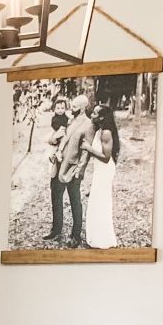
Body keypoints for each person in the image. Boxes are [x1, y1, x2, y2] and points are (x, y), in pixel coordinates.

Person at [50, 95, 94, 247]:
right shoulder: (70, 120)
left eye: (74, 107)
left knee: (75, 202)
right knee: (56, 198)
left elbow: (86, 152)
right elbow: (62, 138)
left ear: (82, 108)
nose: (70, 109)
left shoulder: (88, 125)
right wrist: (57, 149)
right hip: (60, 164)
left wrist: (80, 171)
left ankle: (76, 235)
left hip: (73, 169)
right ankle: (56, 230)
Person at [83, 96, 121, 249]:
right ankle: (95, 236)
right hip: (100, 170)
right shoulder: (99, 130)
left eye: (95, 113)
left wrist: (88, 148)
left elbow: (106, 157)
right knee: (96, 202)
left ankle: (103, 238)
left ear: (102, 117)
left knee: (101, 202)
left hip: (105, 170)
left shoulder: (106, 133)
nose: (92, 115)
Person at [44, 96, 73, 244]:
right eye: (58, 108)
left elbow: (62, 138)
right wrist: (54, 138)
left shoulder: (70, 122)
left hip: (66, 163)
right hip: (58, 156)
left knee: (59, 196)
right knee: (55, 196)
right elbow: (52, 139)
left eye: (63, 108)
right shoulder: (57, 121)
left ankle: (58, 230)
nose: (61, 110)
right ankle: (56, 229)